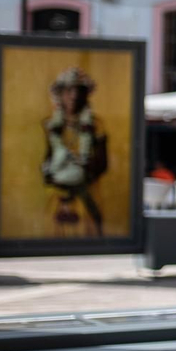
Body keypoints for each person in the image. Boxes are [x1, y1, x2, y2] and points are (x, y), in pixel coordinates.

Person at [41, 66, 109, 236]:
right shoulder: (50, 125)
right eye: (69, 90)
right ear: (60, 94)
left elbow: (102, 161)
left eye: (79, 91)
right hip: (57, 196)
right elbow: (45, 157)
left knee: (89, 230)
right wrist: (53, 173)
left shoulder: (95, 125)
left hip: (85, 192)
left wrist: (82, 172)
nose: (74, 96)